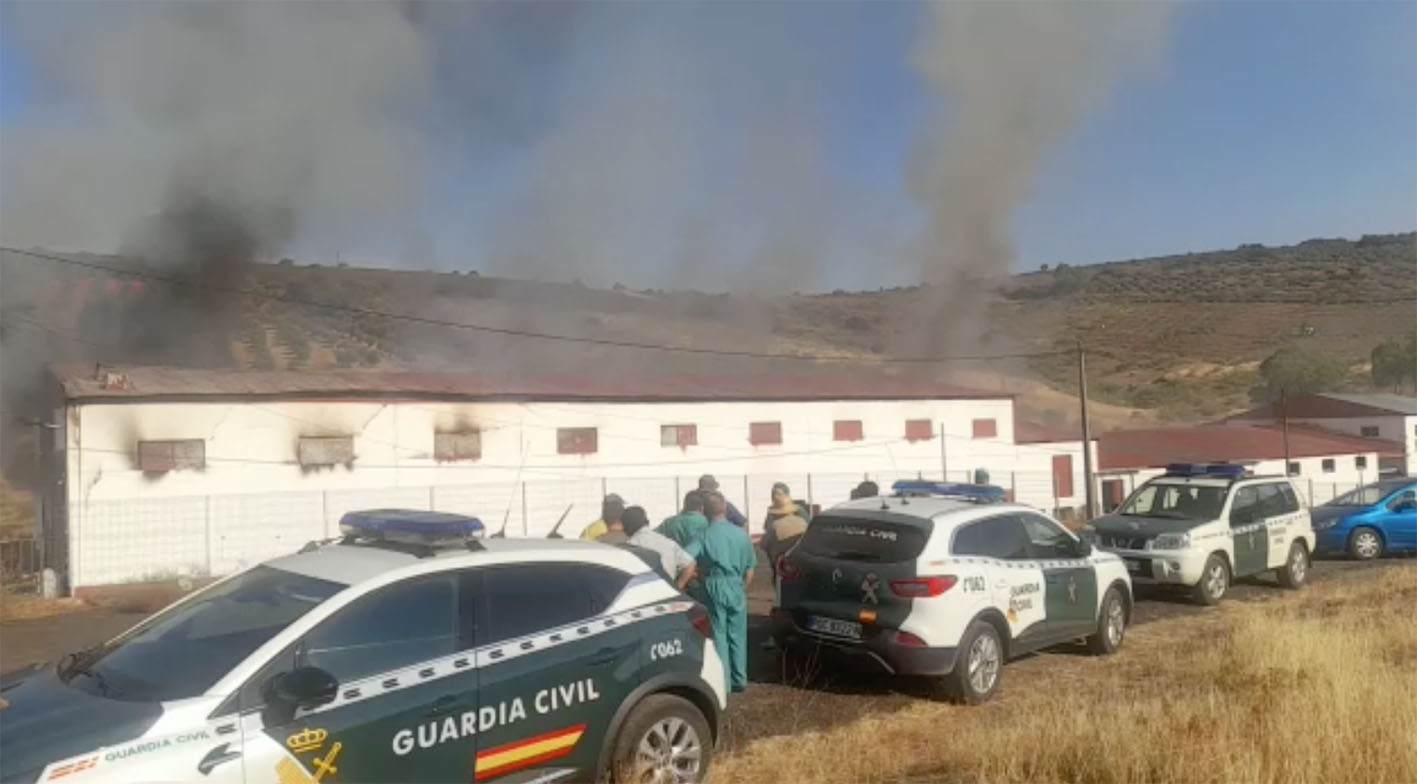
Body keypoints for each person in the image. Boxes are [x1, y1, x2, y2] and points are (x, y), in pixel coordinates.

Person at [690, 490, 756, 693]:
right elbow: (750, 569)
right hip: (736, 584)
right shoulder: (741, 535)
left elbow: (685, 557)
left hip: (713, 584)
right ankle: (740, 678)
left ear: (704, 512)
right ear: (725, 509)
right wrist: (742, 587)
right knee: (737, 633)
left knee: (718, 633)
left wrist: (695, 576)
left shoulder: (704, 535)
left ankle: (724, 682)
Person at [622, 506, 697, 590]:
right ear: (647, 522)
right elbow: (690, 564)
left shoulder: (629, 548)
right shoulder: (668, 543)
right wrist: (678, 587)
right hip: (668, 595)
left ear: (625, 528)